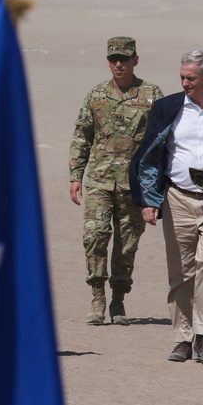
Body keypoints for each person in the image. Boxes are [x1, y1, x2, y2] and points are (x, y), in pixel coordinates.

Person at [129, 50, 203, 363]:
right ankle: (182, 339)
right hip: (177, 198)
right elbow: (150, 155)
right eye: (182, 77)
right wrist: (149, 200)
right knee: (181, 271)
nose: (185, 83)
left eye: (192, 78)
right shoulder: (166, 107)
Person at [70, 36, 163, 325]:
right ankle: (97, 298)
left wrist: (156, 187)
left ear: (136, 60)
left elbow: (162, 142)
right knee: (94, 237)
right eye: (114, 59)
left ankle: (118, 300)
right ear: (108, 61)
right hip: (99, 180)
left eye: (124, 59)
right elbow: (82, 135)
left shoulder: (151, 95)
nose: (118, 64)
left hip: (134, 184)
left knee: (127, 244)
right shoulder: (96, 94)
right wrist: (75, 176)